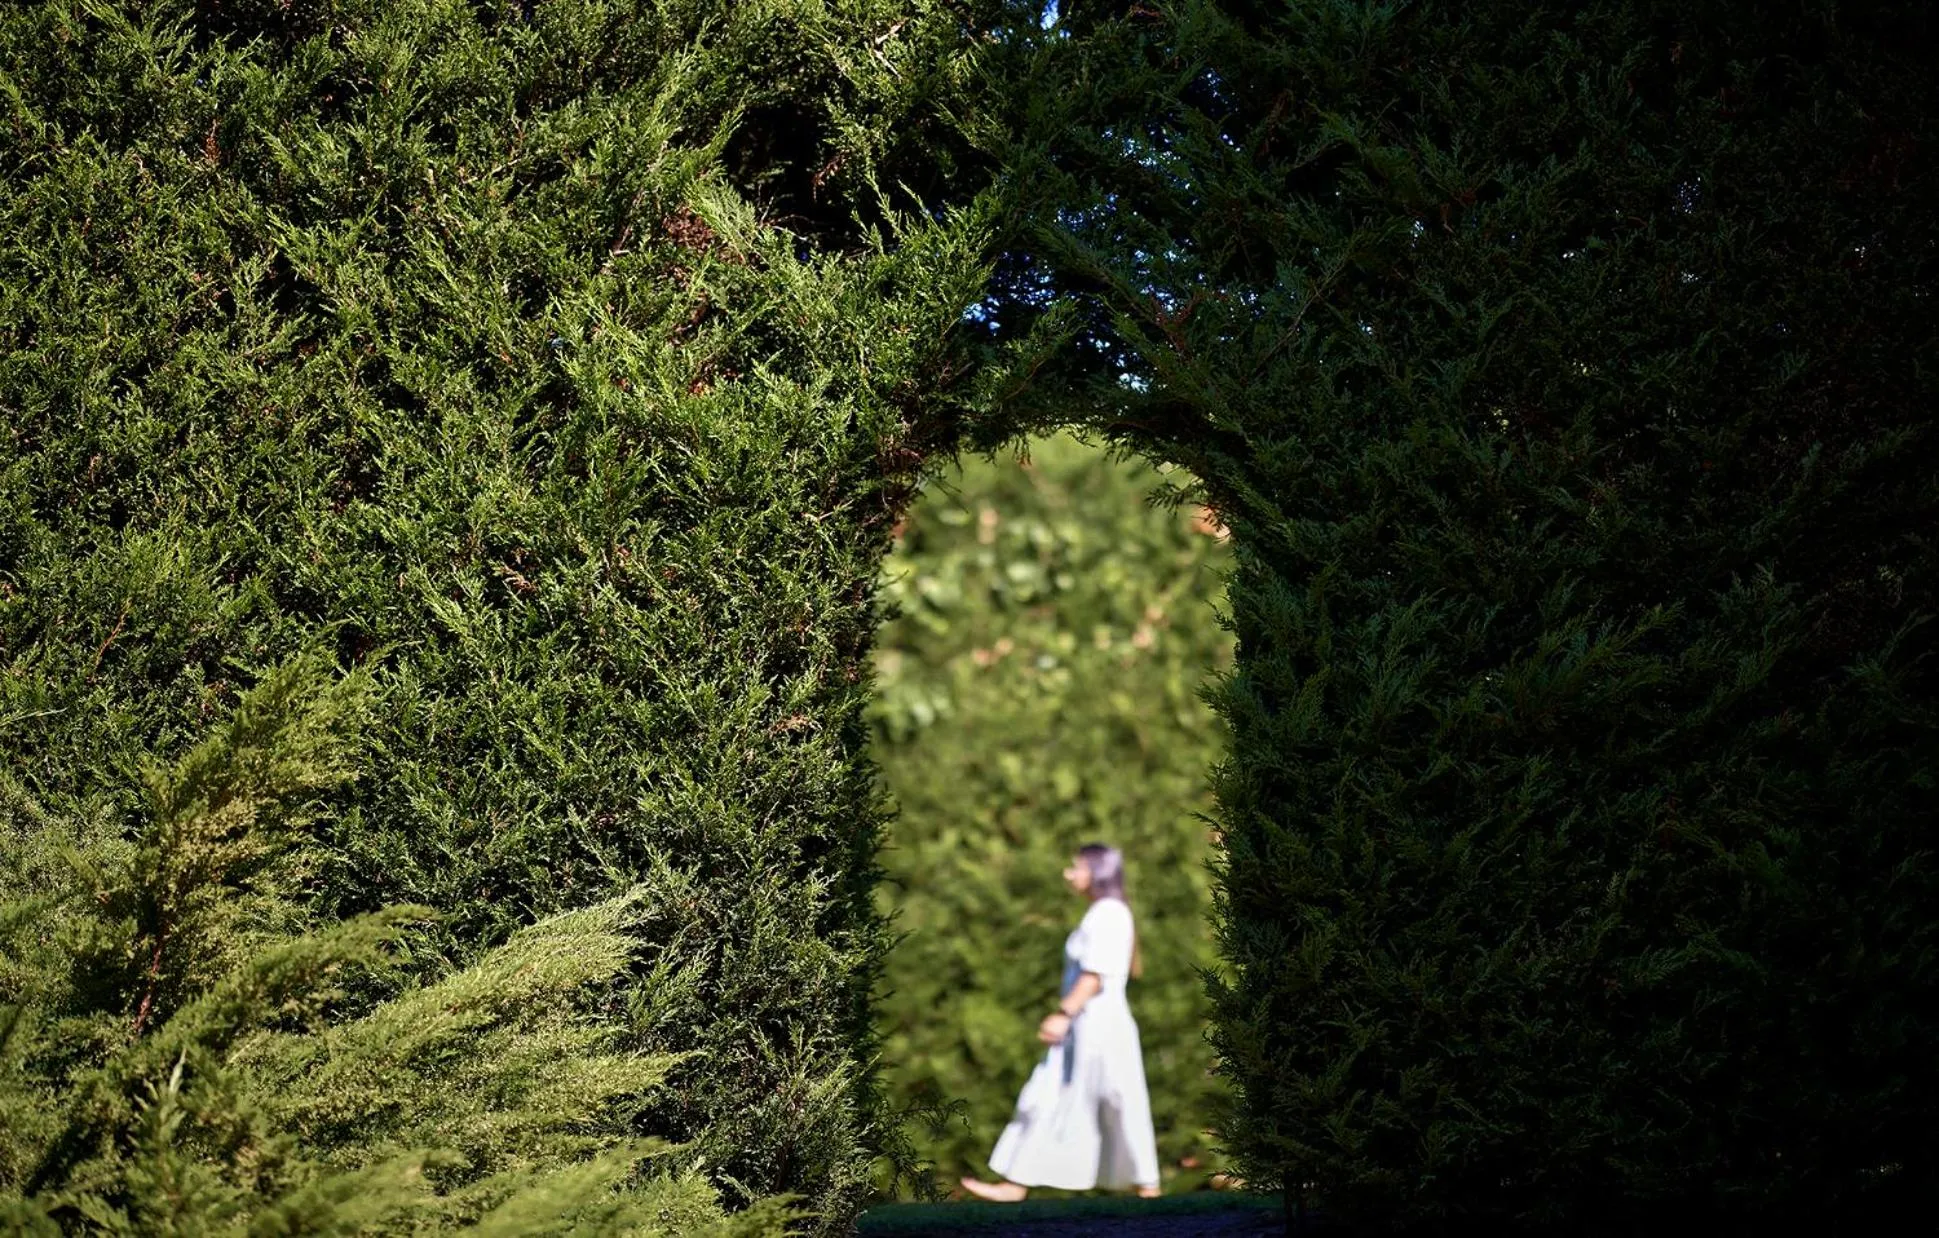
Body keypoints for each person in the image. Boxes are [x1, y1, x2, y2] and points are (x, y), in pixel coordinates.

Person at [960, 843, 1163, 1202]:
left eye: (1077, 867)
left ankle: (1148, 1186)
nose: (1070, 874)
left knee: (1121, 1100)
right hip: (1087, 1027)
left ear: (1097, 872)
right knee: (1047, 1092)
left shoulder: (1109, 913)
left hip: (1103, 1026)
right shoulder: (1102, 912)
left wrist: (1063, 1013)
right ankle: (1015, 1183)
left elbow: (1095, 975)